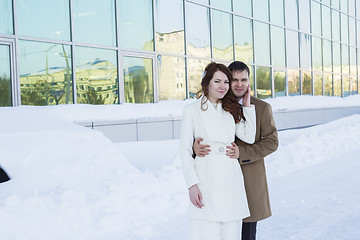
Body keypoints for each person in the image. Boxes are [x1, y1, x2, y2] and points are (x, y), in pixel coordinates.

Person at [193, 61, 279, 240]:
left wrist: (243, 153)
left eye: (244, 80)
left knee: (246, 234)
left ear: (249, 82)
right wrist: (195, 146)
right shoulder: (215, 106)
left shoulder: (262, 108)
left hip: (248, 182)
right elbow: (201, 136)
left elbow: (272, 142)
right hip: (218, 182)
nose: (240, 84)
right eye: (234, 80)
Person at [180, 62, 257, 240]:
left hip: (230, 177)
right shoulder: (192, 111)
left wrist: (246, 105)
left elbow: (249, 136)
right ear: (207, 83)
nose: (223, 86)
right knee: (206, 230)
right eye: (217, 81)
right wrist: (192, 185)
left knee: (230, 230)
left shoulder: (230, 108)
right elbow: (184, 150)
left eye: (226, 82)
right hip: (206, 177)